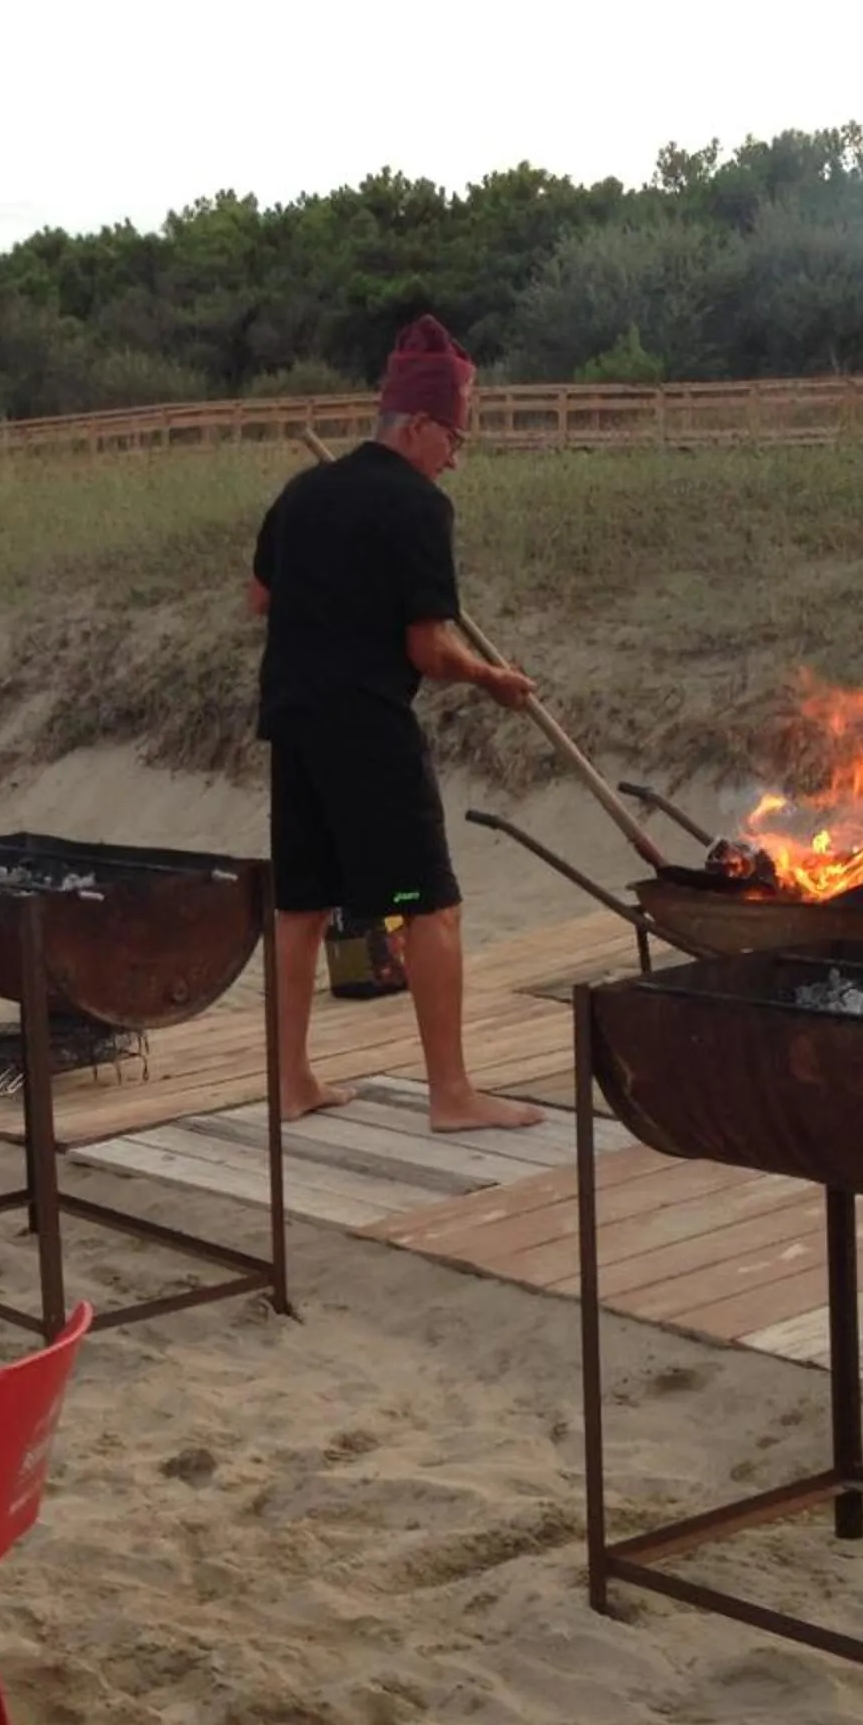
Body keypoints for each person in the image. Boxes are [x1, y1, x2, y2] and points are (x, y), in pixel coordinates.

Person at [249, 314, 541, 1134]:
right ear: (415, 425)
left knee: (301, 908)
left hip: (293, 722)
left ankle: (291, 1081)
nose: (457, 454)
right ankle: (451, 1096)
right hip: (368, 730)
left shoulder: (305, 493)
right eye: (453, 435)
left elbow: (261, 596)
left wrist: (332, 591)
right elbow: (425, 648)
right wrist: (490, 678)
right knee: (430, 907)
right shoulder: (419, 507)